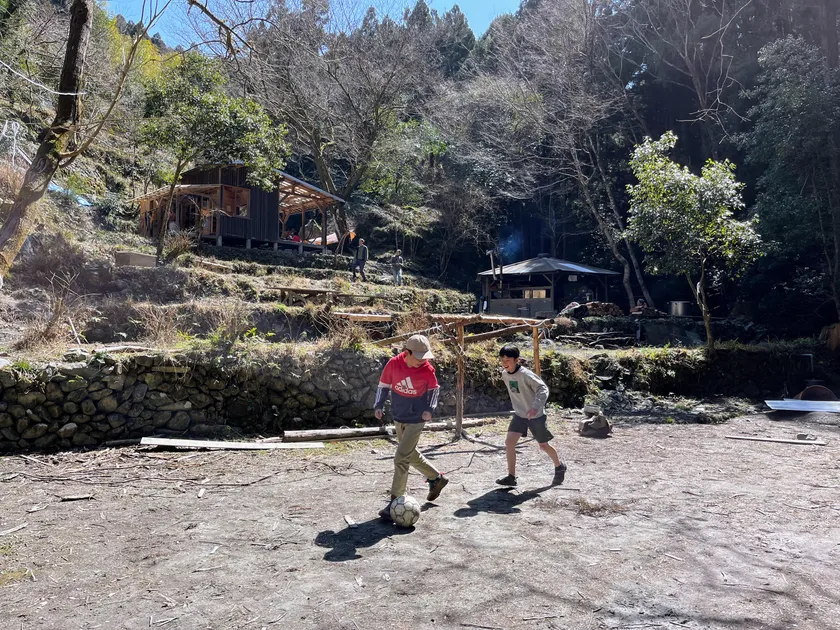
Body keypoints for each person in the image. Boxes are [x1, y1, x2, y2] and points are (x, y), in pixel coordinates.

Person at [374, 335, 449, 519]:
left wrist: (429, 410)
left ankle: (395, 500)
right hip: (399, 415)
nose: (422, 361)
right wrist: (378, 405)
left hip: (416, 418)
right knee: (408, 453)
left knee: (401, 457)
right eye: (418, 357)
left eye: (424, 357)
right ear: (406, 353)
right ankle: (436, 478)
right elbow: (383, 386)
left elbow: (434, 390)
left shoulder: (427, 369)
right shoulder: (393, 364)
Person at [496, 344, 566, 487]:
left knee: (543, 445)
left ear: (517, 360)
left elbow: (543, 389)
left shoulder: (526, 374)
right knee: (509, 442)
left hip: (536, 416)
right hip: (520, 414)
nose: (505, 363)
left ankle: (559, 466)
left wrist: (535, 407)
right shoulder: (504, 374)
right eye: (502, 360)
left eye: (508, 360)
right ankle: (511, 476)